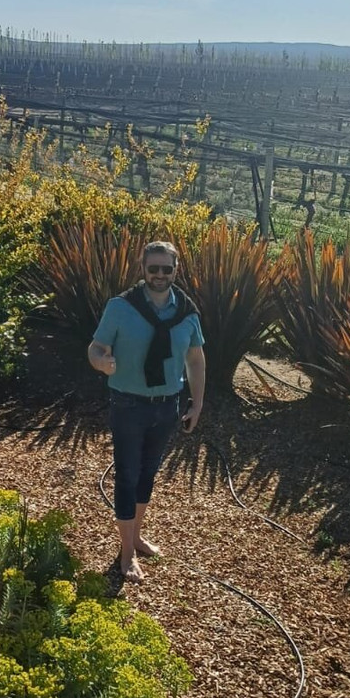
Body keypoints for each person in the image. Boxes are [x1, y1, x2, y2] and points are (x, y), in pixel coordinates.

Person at [88, 241, 206, 584]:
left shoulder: (187, 312)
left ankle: (136, 536)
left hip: (167, 406)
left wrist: (196, 404)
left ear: (175, 270)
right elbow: (96, 346)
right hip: (127, 404)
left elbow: (196, 360)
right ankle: (126, 554)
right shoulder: (120, 307)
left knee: (147, 474)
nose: (159, 275)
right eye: (153, 268)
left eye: (166, 269)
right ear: (143, 269)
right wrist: (101, 361)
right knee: (126, 474)